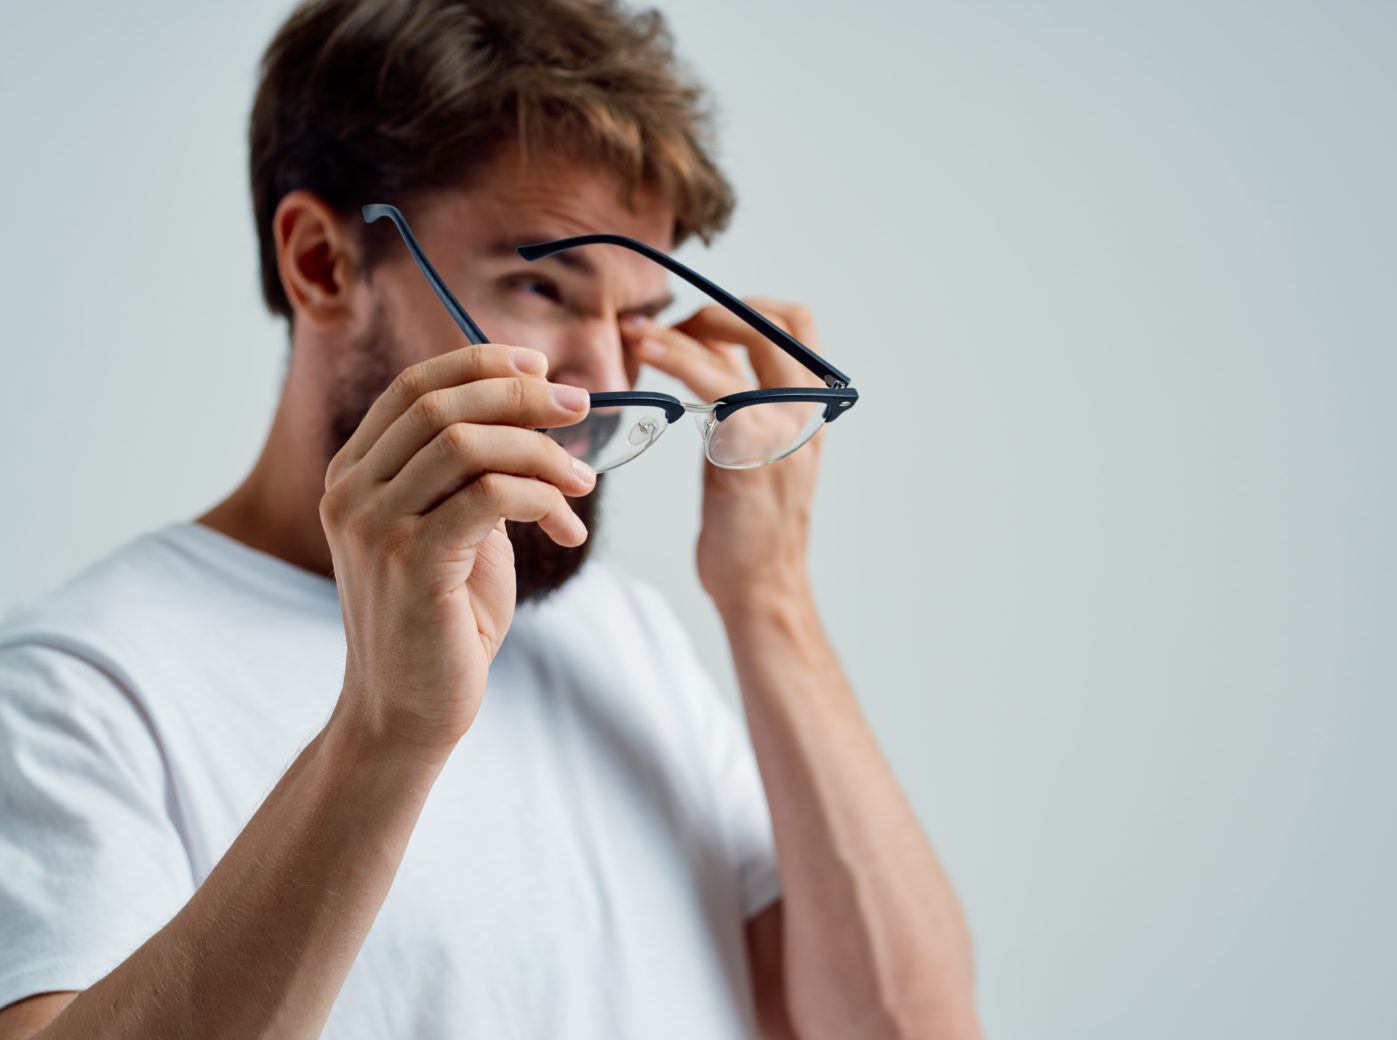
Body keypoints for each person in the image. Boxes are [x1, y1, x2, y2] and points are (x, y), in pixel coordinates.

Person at [0, 1, 979, 1037]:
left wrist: (768, 600)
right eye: (542, 285)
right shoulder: (80, 685)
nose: (606, 377)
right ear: (322, 265)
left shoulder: (625, 639)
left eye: (637, 317)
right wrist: (388, 731)